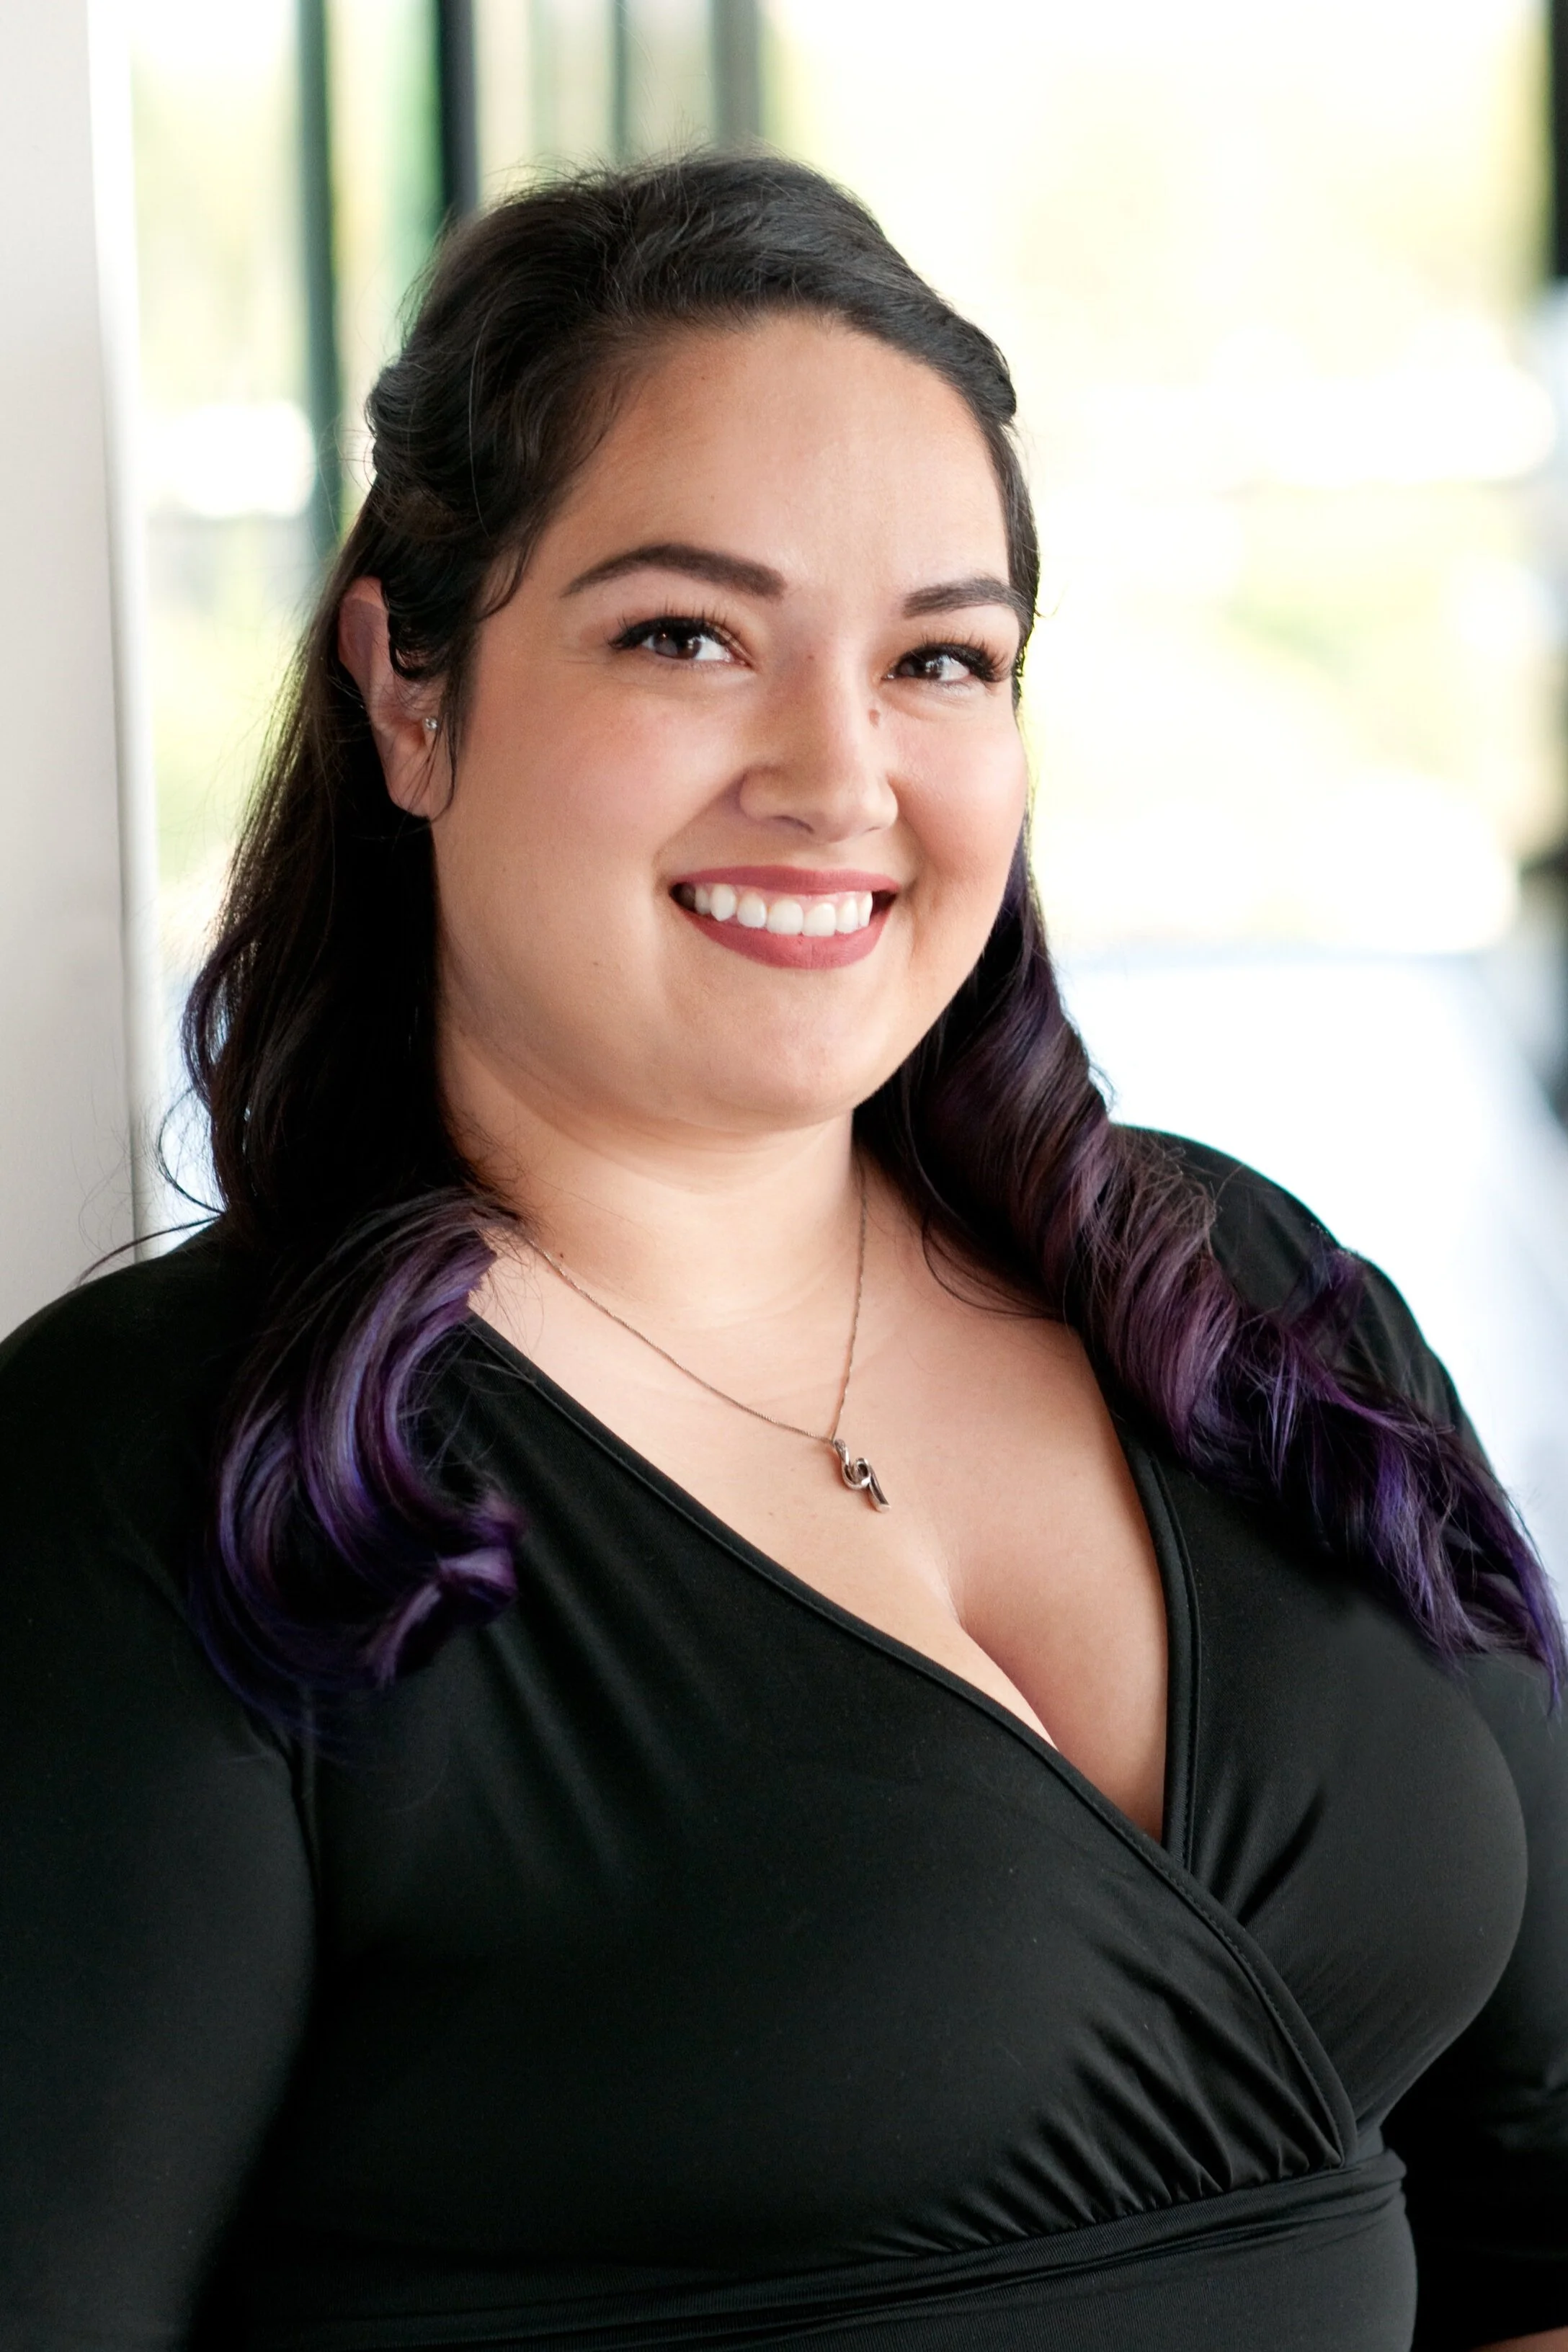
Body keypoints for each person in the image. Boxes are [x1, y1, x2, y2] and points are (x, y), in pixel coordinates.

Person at [1, 154, 1564, 2352]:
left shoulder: (1237, 1300)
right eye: (687, 636)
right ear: (411, 691)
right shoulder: (165, 1474)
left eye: (941, 659)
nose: (840, 777)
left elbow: (1536, 2189)